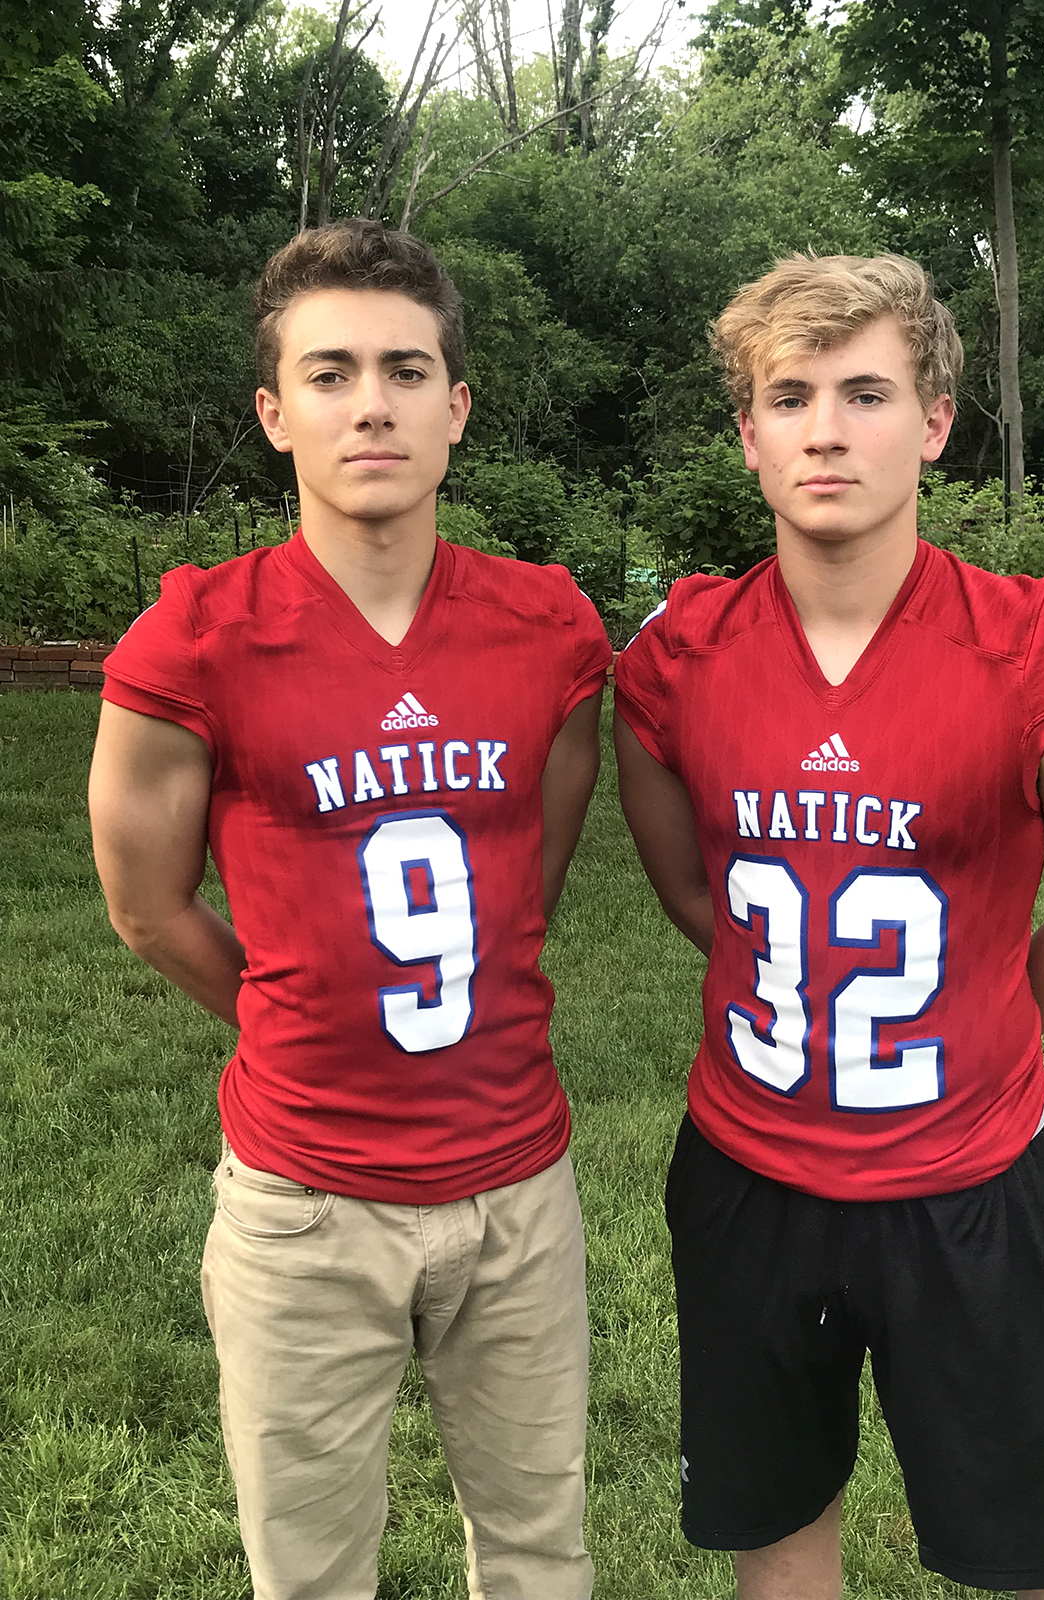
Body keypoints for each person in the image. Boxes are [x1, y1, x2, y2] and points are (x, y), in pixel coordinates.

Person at [614, 253, 1044, 1599]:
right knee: (778, 1535)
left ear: (934, 421)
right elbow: (700, 897)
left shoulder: (1040, 651)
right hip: (750, 1175)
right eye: (788, 395)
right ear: (747, 434)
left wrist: (978, 1012)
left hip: (968, 1182)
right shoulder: (675, 656)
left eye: (865, 392)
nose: (824, 428)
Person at [88, 218, 609, 1600]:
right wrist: (301, 1005)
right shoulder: (194, 636)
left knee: (543, 1552)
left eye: (403, 368)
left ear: (457, 408)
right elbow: (147, 908)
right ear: (276, 413)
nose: (369, 401)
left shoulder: (549, 626)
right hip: (305, 1199)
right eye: (329, 374)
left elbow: (532, 873)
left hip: (516, 1185)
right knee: (311, 1572)